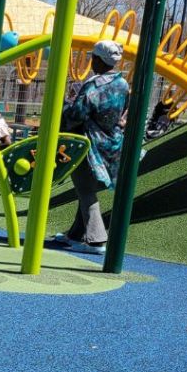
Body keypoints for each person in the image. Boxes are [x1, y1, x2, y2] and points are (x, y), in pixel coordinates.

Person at [52, 39, 130, 255]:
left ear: (98, 59)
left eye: (93, 58)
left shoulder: (94, 85)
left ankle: (96, 240)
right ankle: (75, 235)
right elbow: (124, 109)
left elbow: (76, 115)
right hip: (112, 141)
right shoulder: (122, 84)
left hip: (89, 142)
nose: (91, 62)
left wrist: (64, 105)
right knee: (86, 187)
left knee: (85, 189)